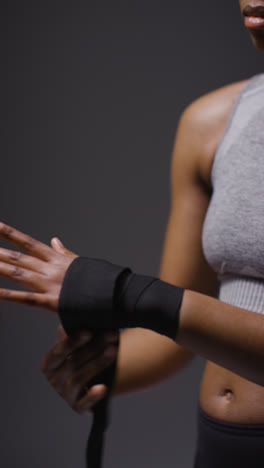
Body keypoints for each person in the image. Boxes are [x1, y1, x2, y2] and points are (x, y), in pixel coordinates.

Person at [0, 1, 264, 467]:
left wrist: (128, 294)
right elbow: (175, 334)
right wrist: (100, 364)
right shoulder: (212, 122)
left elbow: (166, 307)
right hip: (222, 446)